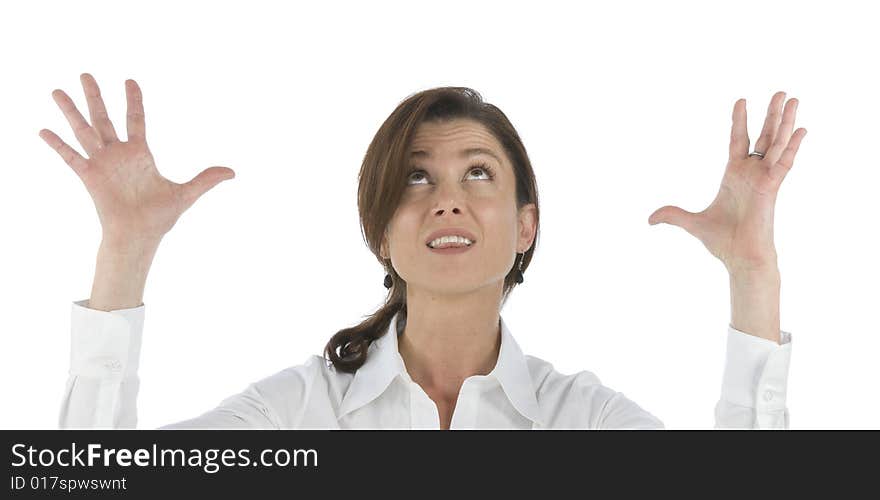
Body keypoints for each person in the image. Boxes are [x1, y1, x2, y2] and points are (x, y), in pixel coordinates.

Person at [43, 74, 804, 429]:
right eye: (416, 177)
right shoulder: (295, 415)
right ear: (381, 231)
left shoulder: (585, 422)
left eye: (479, 172)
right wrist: (126, 252)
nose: (448, 198)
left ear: (524, 228)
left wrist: (752, 275)